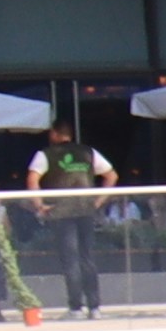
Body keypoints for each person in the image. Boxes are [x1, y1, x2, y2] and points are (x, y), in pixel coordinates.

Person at [33, 123, 119, 318]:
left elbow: (32, 178)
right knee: (87, 258)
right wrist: (98, 201)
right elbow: (111, 175)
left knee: (70, 259)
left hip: (61, 212)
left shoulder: (46, 154)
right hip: (85, 210)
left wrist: (39, 205)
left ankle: (75, 308)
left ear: (54, 134)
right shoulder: (88, 152)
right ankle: (94, 307)